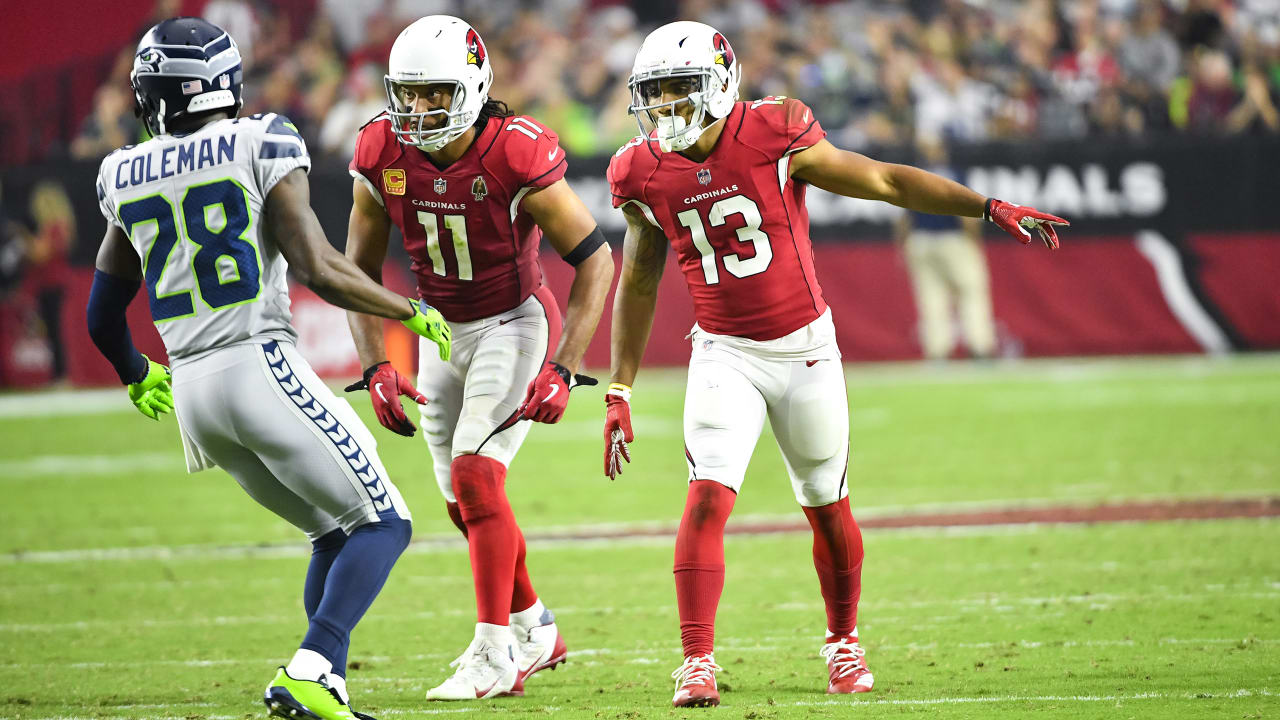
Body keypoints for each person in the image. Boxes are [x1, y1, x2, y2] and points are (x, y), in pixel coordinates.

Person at [603, 21, 1067, 708]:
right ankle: (696, 661)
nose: (666, 106)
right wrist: (619, 387)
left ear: (721, 84)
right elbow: (639, 279)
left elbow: (881, 179)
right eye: (655, 93)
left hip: (804, 352)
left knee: (826, 505)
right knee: (705, 498)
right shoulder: (639, 169)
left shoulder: (773, 132)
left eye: (680, 89)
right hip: (723, 351)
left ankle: (843, 642)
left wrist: (986, 206)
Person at [86, 18, 452, 720]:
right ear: (221, 82)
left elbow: (104, 318)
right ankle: (312, 669)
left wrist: (136, 373)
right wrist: (406, 310)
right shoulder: (262, 138)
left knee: (335, 532)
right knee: (386, 524)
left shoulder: (119, 171)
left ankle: (325, 685)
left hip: (192, 396)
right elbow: (319, 266)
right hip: (259, 365)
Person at [344, 15, 614, 701]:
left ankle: (494, 651)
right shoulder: (380, 149)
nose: (417, 109)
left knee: (474, 476)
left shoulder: (514, 152)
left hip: (513, 324)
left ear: (469, 87)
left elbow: (595, 259)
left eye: (434, 93)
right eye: (407, 93)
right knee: (463, 503)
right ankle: (535, 627)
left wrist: (565, 365)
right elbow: (357, 267)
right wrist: (376, 362)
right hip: (441, 331)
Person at [895, 136, 996, 361]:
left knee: (931, 298)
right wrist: (975, 241)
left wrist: (901, 246)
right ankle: (979, 346)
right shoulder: (954, 174)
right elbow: (966, 214)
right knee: (970, 292)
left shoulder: (913, 174)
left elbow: (903, 218)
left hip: (921, 241)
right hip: (953, 240)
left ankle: (937, 351)